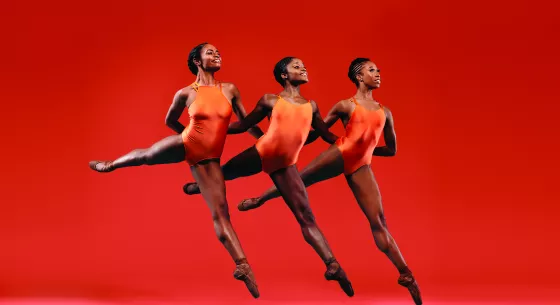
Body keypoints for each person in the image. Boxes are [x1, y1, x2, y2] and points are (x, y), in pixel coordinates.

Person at [235, 58, 422, 304]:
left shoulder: (385, 112)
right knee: (300, 179)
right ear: (358, 76)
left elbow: (391, 150)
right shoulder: (346, 105)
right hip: (339, 152)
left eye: (378, 70)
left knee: (379, 221)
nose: (377, 74)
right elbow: (317, 131)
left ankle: (406, 274)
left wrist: (365, 149)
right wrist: (289, 141)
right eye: (372, 70)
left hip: (361, 165)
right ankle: (261, 198)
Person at [88, 43, 262, 298]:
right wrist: (190, 135)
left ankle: (243, 266)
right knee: (147, 155)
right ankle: (111, 164)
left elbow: (244, 122)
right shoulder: (185, 93)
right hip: (186, 142)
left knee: (221, 213)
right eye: (210, 52)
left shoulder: (230, 89)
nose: (217, 54)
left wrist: (264, 140)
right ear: (197, 61)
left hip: (209, 159)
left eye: (218, 52)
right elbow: (170, 120)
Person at [183, 57, 354, 296]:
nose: (303, 68)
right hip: (262, 152)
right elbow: (243, 126)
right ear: (284, 75)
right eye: (296, 66)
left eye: (304, 65)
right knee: (223, 175)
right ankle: (199, 186)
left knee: (306, 216)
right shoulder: (270, 100)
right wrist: (212, 127)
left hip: (285, 164)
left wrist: (348, 141)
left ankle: (332, 264)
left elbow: (323, 134)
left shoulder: (311, 106)